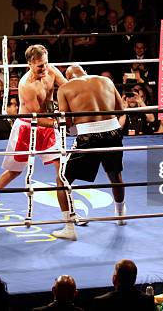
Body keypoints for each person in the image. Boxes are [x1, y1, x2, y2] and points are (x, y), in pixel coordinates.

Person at [0, 45, 68, 217]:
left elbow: (67, 87)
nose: (44, 68)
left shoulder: (51, 71)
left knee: (62, 169)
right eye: (40, 66)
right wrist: (61, 122)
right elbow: (36, 117)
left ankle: (68, 214)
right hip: (28, 127)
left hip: (49, 125)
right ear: (29, 64)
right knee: (15, 171)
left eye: (45, 63)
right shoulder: (26, 85)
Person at [51, 65, 126, 240]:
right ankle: (121, 215)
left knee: (62, 180)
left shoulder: (65, 88)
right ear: (84, 71)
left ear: (68, 77)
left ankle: (69, 228)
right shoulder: (105, 80)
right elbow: (120, 109)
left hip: (88, 136)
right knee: (115, 176)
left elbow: (66, 121)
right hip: (113, 132)